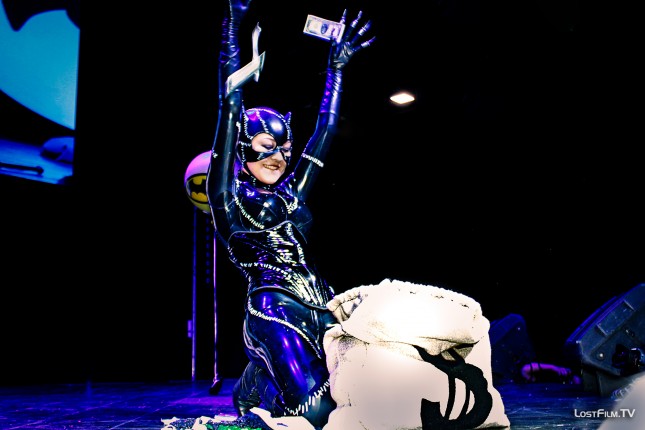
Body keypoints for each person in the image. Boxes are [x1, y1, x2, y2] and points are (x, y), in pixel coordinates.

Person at [206, 0, 374, 428]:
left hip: (322, 305)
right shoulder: (228, 199)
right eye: (266, 146)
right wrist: (232, 29)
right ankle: (259, 383)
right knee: (318, 412)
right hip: (274, 309)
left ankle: (259, 379)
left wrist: (336, 68)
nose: (278, 156)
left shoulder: (292, 194)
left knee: (367, 395)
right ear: (242, 147)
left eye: (284, 148)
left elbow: (326, 130)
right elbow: (230, 103)